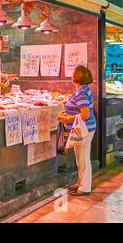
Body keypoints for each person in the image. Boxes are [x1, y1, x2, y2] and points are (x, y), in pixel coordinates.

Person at [58, 65, 96, 196]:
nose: (71, 75)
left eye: (74, 73)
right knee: (80, 158)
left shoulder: (82, 93)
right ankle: (80, 183)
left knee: (83, 158)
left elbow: (85, 114)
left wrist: (68, 118)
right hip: (82, 129)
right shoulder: (83, 89)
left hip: (84, 129)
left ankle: (84, 188)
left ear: (78, 77)